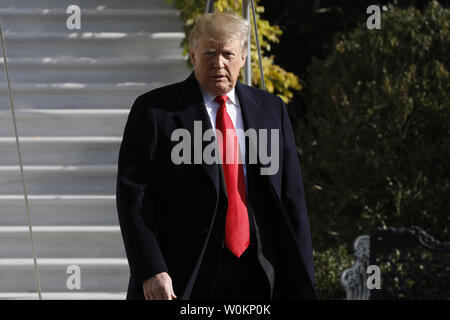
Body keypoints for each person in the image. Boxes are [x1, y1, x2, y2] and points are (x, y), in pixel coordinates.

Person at [116, 12, 318, 300]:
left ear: (243, 58)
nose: (219, 63)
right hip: (185, 271)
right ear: (193, 54)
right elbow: (133, 196)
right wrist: (150, 268)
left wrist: (303, 278)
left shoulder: (272, 110)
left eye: (228, 54)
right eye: (209, 53)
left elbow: (292, 199)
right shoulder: (155, 111)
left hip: (259, 267)